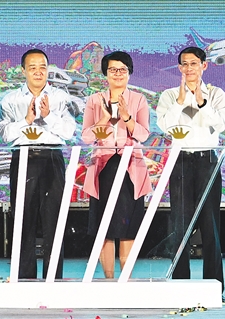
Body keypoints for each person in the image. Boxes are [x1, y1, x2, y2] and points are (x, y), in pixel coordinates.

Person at [156, 46, 225, 294]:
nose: (189, 68)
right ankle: (180, 285)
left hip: (207, 161)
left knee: (210, 225)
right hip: (181, 162)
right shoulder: (168, 96)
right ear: (179, 68)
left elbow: (220, 124)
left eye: (194, 63)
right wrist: (180, 102)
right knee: (180, 225)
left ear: (204, 66)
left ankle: (214, 286)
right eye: (185, 64)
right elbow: (166, 126)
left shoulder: (216, 94)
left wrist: (201, 102)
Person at [0, 49, 76, 279]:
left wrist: (48, 116)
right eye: (32, 68)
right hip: (23, 158)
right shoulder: (11, 99)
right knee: (23, 222)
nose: (38, 72)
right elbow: (4, 134)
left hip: (52, 157)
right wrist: (26, 120)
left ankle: (53, 279)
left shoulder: (61, 97)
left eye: (42, 67)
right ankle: (25, 278)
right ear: (23, 71)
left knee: (54, 222)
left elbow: (69, 131)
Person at [81, 51, 151, 279]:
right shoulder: (94, 100)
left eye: (122, 70)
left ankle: (125, 280)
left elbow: (143, 135)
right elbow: (87, 137)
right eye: (113, 70)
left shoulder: (139, 100)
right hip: (104, 167)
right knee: (105, 227)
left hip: (131, 167)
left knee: (128, 227)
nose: (118, 74)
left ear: (129, 73)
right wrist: (104, 119)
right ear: (105, 73)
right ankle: (109, 280)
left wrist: (126, 116)